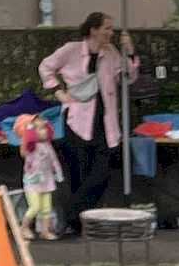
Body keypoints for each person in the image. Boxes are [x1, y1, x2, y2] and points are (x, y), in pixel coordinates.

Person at [37, 12, 139, 237]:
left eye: (112, 29)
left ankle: (72, 215)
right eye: (107, 28)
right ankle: (80, 225)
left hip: (105, 120)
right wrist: (58, 91)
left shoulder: (112, 53)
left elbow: (129, 77)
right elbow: (46, 67)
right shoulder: (72, 50)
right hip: (77, 118)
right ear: (93, 30)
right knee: (78, 172)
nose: (111, 33)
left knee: (101, 173)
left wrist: (129, 51)